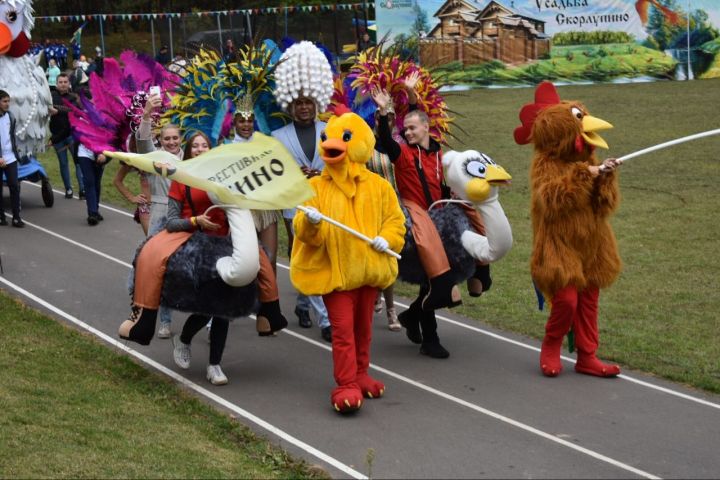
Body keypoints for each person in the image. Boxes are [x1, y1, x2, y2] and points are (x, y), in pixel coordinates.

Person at [371, 87, 490, 358]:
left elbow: (441, 185)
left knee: (473, 214)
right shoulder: (402, 153)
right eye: (406, 129)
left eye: (413, 128)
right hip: (417, 217)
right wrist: (382, 113)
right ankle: (430, 338)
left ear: (427, 128)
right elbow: (386, 142)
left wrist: (453, 194)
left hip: (440, 213)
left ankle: (482, 271)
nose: (409, 133)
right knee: (432, 272)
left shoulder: (438, 155)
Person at [272, 95, 332, 342]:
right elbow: (275, 170)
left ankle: (302, 304)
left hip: (324, 200)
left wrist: (322, 173)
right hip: (294, 202)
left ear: (316, 104)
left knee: (319, 252)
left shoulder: (330, 130)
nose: (304, 107)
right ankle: (326, 319)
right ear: (291, 107)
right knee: (304, 251)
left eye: (308, 102)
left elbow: (339, 161)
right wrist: (293, 173)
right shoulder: (278, 136)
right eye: (299, 104)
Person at [136, 93, 183, 339]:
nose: (172, 142)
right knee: (160, 270)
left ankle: (206, 316)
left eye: (175, 138)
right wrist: (146, 115)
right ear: (161, 141)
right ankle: (163, 320)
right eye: (167, 139)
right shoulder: (155, 158)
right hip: (160, 218)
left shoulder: (191, 159)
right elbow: (143, 143)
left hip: (185, 220)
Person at [49, 73, 85, 200]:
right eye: (60, 82)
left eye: (65, 82)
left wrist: (58, 110)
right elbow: (47, 107)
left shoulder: (73, 98)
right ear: (57, 83)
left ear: (69, 84)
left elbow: (73, 110)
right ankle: (68, 189)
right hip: (57, 136)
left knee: (78, 163)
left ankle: (82, 189)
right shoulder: (51, 97)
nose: (63, 84)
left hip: (72, 135)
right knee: (63, 163)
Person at [112, 135, 151, 235]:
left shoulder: (165, 151)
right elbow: (117, 181)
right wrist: (132, 197)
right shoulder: (135, 156)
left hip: (167, 207)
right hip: (147, 208)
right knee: (153, 243)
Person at [0, 90, 24, 228]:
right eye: (4, 101)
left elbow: (11, 136)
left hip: (10, 157)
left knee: (14, 186)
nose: (7, 104)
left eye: (8, 101)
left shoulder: (10, 116)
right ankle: (1, 216)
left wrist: (14, 152)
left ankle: (16, 217)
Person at [76, 142, 107, 226]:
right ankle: (92, 213)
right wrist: (55, 139)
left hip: (101, 152)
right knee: (89, 181)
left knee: (96, 182)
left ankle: (95, 210)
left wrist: (106, 156)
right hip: (84, 152)